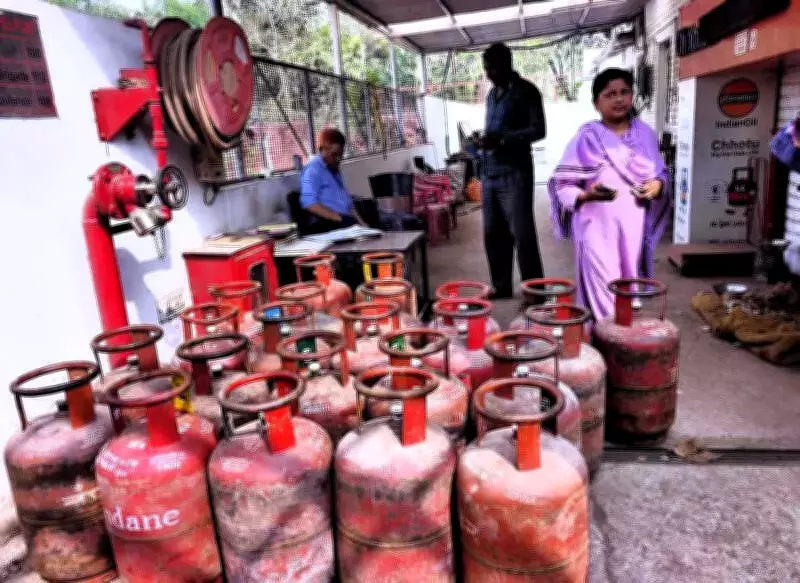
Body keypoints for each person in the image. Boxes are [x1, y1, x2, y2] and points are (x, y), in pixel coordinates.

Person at [548, 68, 672, 321]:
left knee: (626, 288)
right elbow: (562, 185)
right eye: (610, 94)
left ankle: (621, 337)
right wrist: (587, 195)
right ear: (596, 103)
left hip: (632, 229)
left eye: (624, 92)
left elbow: (661, 175)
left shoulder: (645, 135)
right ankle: (602, 337)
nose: (619, 99)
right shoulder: (587, 137)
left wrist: (657, 186)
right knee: (601, 290)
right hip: (595, 227)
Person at [480, 43, 547, 299]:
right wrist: (485, 141)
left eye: (492, 68)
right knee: (492, 233)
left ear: (507, 65)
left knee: (522, 233)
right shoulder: (491, 95)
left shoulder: (526, 92)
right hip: (490, 172)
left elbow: (539, 130)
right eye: (486, 69)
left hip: (515, 173)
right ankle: (501, 286)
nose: (488, 74)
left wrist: (503, 139)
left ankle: (535, 291)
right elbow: (493, 131)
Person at [300, 128, 367, 233]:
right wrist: (339, 218)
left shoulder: (333, 168)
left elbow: (348, 204)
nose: (338, 159)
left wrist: (363, 225)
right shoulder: (313, 169)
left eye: (340, 155)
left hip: (346, 221)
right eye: (334, 155)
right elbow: (309, 203)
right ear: (322, 150)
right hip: (330, 224)